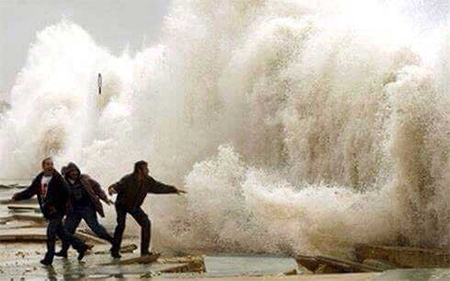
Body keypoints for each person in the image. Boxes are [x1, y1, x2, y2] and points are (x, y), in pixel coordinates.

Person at [12, 157, 90, 265]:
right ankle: (81, 246)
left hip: (57, 211)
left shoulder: (58, 179)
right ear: (43, 166)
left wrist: (57, 206)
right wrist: (18, 196)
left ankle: (49, 258)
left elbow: (67, 192)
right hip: (48, 211)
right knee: (63, 234)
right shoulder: (40, 178)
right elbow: (31, 191)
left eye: (52, 164)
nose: (50, 166)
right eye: (48, 164)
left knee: (51, 233)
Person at [108, 161, 186, 258]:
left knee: (146, 223)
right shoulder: (128, 179)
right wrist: (111, 189)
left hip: (134, 206)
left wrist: (174, 190)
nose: (148, 170)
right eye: (146, 168)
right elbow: (117, 185)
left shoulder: (147, 180)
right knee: (121, 226)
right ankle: (114, 250)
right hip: (122, 205)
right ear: (139, 170)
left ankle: (144, 251)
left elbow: (159, 187)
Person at [55, 162, 115, 258]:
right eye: (72, 171)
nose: (74, 173)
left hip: (87, 208)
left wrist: (105, 199)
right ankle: (64, 251)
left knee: (96, 228)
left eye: (76, 171)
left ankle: (114, 242)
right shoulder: (63, 183)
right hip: (73, 210)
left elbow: (97, 189)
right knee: (67, 231)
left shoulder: (85, 179)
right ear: (68, 173)